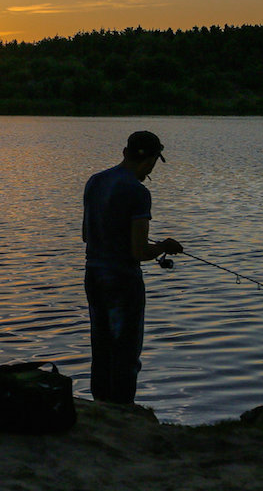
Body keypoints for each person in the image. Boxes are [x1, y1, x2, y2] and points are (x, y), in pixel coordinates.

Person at [81, 130, 182, 405]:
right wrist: (164, 246)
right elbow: (138, 252)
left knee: (101, 346)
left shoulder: (95, 182)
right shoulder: (138, 192)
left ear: (125, 152)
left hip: (93, 275)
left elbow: (87, 235)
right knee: (125, 349)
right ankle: (124, 409)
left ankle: (101, 407)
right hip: (122, 280)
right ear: (149, 161)